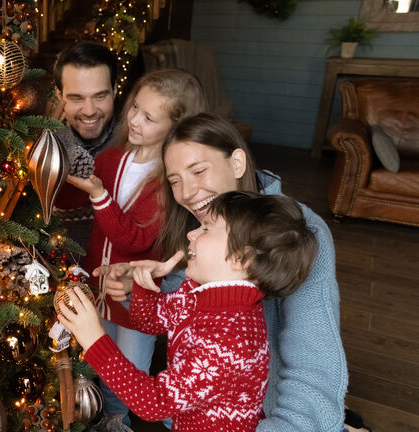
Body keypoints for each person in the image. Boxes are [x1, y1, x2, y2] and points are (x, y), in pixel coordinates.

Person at [95, 113, 348, 432]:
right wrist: (139, 287)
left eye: (198, 170)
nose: (186, 193)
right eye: (174, 180)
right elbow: (180, 319)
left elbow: (312, 378)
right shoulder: (195, 231)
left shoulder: (300, 232)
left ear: (238, 163)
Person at [58, 190, 319, 431]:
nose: (191, 234)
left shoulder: (231, 342)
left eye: (206, 229)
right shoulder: (200, 294)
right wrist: (143, 284)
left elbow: (154, 403)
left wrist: (94, 340)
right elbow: (150, 321)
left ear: (242, 257)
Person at [63, 69, 207, 431]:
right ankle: (101, 413)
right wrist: (55, 171)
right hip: (99, 283)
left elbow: (135, 240)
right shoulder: (112, 160)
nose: (135, 120)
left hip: (136, 294)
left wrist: (98, 194)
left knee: (129, 364)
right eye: (135, 109)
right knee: (98, 352)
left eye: (149, 117)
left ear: (174, 127)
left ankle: (118, 420)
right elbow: (70, 195)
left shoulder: (165, 180)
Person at [51, 41, 121, 244]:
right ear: (59, 95)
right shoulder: (45, 152)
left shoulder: (139, 148)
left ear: (115, 90)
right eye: (76, 98)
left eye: (100, 96)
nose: (89, 111)